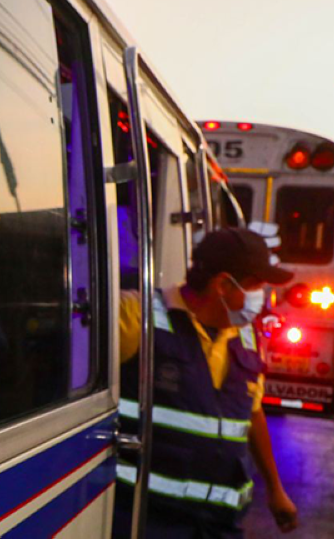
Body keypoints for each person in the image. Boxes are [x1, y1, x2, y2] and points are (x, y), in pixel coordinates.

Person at [114, 228, 298, 538]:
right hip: (150, 521)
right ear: (223, 285)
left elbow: (252, 414)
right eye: (256, 286)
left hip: (217, 524)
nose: (262, 297)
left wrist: (275, 489)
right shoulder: (137, 316)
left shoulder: (247, 337)